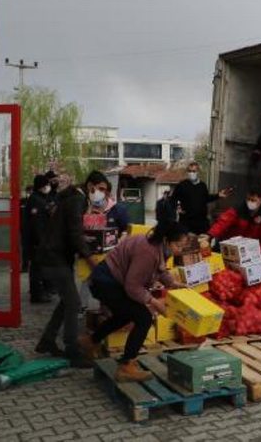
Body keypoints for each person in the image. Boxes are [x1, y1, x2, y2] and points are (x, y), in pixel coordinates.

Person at [85, 221, 187, 382]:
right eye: (178, 245)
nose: (180, 250)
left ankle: (90, 341)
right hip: (106, 282)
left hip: (112, 281)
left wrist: (172, 283)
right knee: (143, 317)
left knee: (125, 314)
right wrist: (154, 302)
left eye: (182, 247)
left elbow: (159, 269)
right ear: (167, 240)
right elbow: (132, 286)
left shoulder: (158, 246)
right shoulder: (148, 251)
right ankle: (126, 366)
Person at [34, 172, 96, 367]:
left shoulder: (69, 199)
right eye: (100, 189)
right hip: (55, 259)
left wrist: (82, 240)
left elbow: (69, 231)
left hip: (53, 257)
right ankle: (72, 350)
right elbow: (75, 233)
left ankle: (47, 340)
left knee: (66, 302)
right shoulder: (77, 200)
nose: (100, 194)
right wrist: (89, 257)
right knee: (74, 303)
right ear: (91, 186)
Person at [170, 162, 233, 235]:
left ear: (198, 172)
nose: (191, 173)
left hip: (201, 222)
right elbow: (173, 199)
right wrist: (177, 207)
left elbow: (205, 198)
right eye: (189, 171)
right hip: (186, 222)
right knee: (187, 243)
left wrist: (218, 195)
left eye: (194, 171)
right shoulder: (182, 185)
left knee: (204, 243)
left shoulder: (202, 186)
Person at [207, 187, 261, 255]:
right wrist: (210, 235)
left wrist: (258, 253)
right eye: (248, 199)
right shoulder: (238, 210)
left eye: (253, 200)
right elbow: (222, 223)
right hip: (229, 247)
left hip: (248, 251)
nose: (249, 202)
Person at [24, 175, 55, 303]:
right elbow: (37, 224)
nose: (48, 187)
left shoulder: (40, 198)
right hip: (37, 242)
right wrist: (41, 242)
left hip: (38, 241)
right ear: (41, 186)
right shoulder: (36, 200)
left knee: (39, 267)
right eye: (46, 184)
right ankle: (37, 294)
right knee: (37, 268)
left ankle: (39, 292)